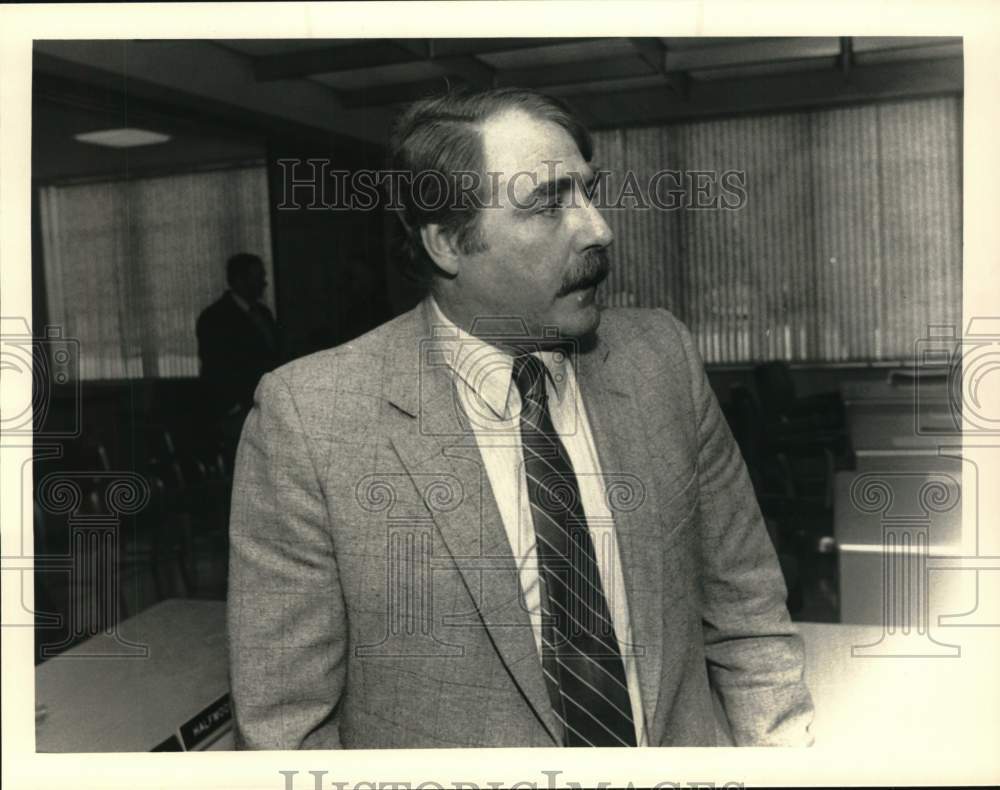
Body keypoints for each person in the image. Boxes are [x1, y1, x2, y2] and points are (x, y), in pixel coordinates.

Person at [227, 88, 815, 749]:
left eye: (589, 193)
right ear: (449, 243)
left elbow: (748, 614)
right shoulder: (310, 419)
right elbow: (287, 730)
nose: (598, 229)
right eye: (549, 204)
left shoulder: (662, 361)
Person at [196, 253, 281, 467]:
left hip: (264, 407)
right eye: (257, 277)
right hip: (237, 412)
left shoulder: (263, 313)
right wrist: (233, 407)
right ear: (238, 280)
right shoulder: (214, 317)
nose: (264, 283)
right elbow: (216, 367)